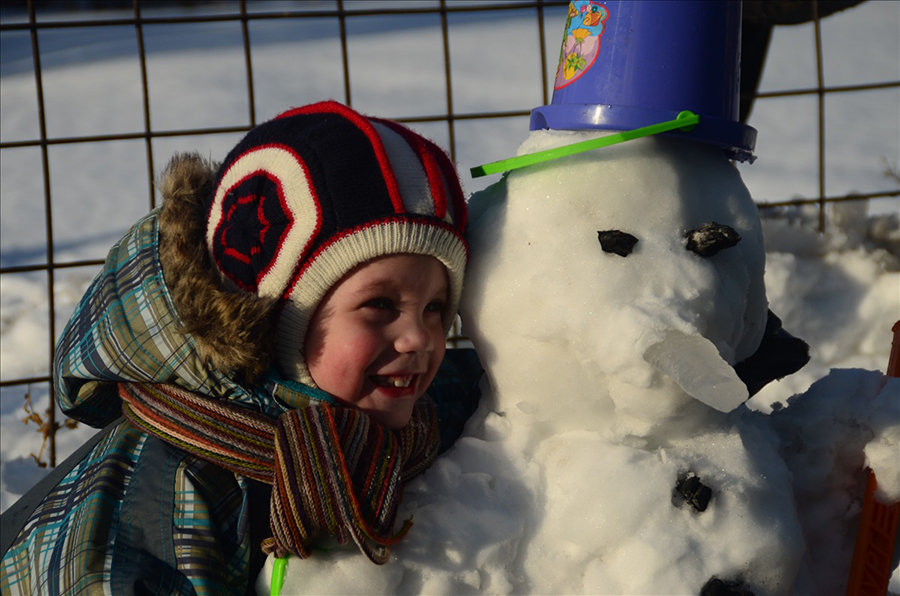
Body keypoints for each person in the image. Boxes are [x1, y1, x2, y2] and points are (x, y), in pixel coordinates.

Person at [0, 100, 481, 594]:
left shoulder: (408, 411)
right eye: (380, 304)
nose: (420, 336)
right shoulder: (175, 488)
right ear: (276, 318)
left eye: (435, 307)